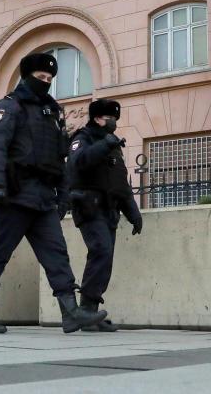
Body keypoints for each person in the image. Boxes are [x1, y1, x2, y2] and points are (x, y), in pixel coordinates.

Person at [0, 52, 108, 334]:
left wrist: (62, 196)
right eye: (40, 77)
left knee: (57, 254)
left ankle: (71, 313)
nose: (45, 82)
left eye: (49, 79)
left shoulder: (52, 113)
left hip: (44, 198)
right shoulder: (9, 107)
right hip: (14, 196)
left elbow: (59, 158)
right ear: (26, 77)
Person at [66, 98, 143, 332]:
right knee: (101, 250)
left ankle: (90, 310)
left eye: (116, 119)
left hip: (110, 209)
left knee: (105, 258)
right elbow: (78, 163)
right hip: (89, 207)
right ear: (97, 118)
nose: (113, 122)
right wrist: (105, 144)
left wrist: (133, 212)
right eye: (110, 118)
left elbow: (120, 182)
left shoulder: (113, 145)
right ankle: (86, 310)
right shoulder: (83, 138)